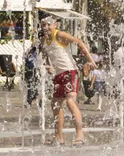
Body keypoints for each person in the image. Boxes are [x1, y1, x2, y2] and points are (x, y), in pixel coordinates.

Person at [40, 15, 96, 146]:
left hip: (70, 71)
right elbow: (45, 55)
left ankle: (80, 135)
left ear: (55, 25)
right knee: (55, 104)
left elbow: (79, 42)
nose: (46, 27)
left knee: (70, 101)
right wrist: (47, 65)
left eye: (49, 24)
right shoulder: (43, 40)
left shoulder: (59, 35)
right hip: (59, 75)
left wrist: (90, 60)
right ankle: (59, 138)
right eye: (44, 25)